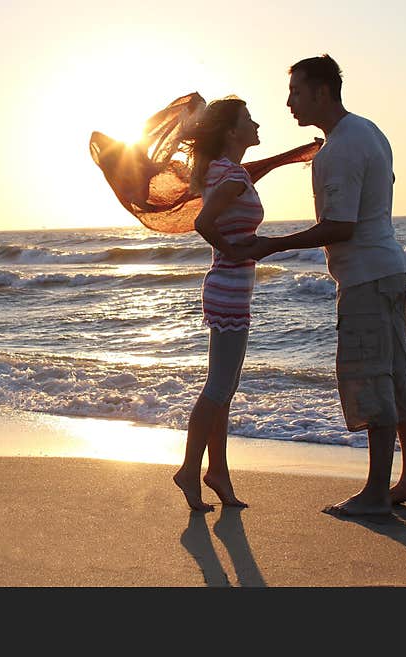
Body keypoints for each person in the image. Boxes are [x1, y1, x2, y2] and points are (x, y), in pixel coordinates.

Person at [230, 54, 406, 516]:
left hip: (365, 274)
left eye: (296, 92)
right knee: (398, 376)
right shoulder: (367, 131)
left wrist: (267, 246)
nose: (288, 103)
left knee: (371, 380)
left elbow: (340, 226)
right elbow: (383, 186)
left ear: (322, 92)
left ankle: (377, 493)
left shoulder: (339, 148)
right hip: (390, 267)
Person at [172, 96, 262, 511]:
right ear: (231, 132)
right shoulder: (230, 176)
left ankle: (218, 472)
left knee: (224, 388)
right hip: (228, 287)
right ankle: (190, 469)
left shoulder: (225, 171)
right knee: (219, 388)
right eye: (249, 119)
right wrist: (233, 251)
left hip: (229, 288)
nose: (256, 123)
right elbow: (203, 222)